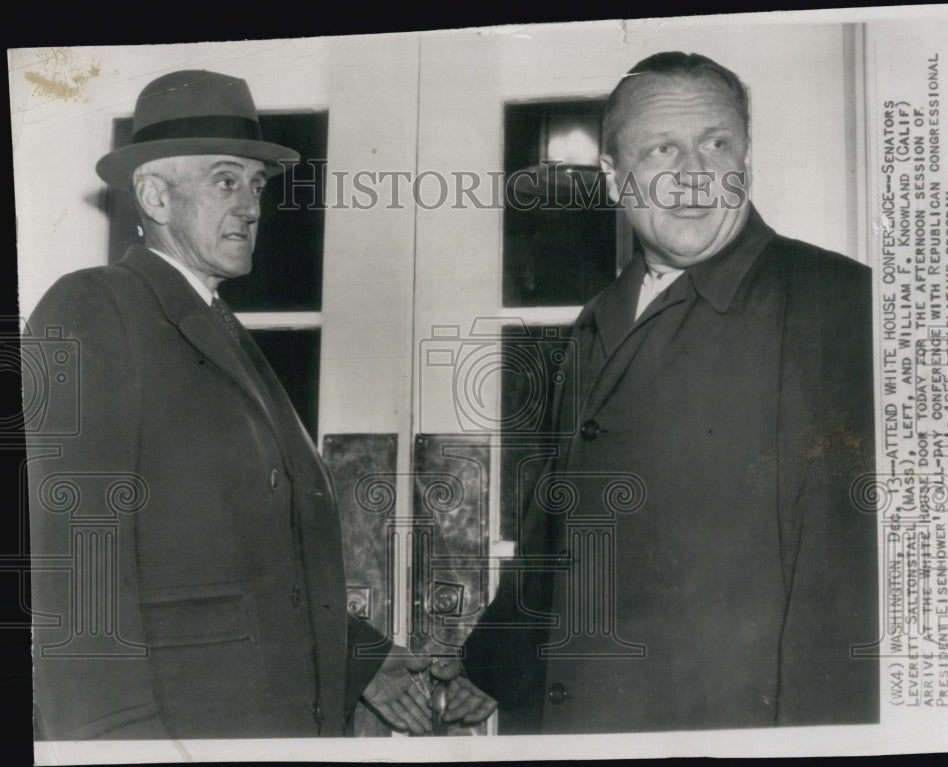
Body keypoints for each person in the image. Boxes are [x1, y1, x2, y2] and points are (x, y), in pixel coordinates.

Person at [23, 69, 493, 740]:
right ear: (153, 194)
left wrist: (367, 659)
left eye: (257, 184)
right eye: (224, 180)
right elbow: (77, 572)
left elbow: (249, 565)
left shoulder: (218, 326)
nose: (250, 205)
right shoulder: (95, 309)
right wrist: (115, 749)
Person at [462, 52, 878, 733]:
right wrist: (487, 668)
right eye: (661, 148)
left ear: (746, 157)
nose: (692, 174)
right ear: (614, 179)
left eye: (717, 143)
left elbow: (850, 600)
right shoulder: (593, 323)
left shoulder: (840, 302)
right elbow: (554, 533)